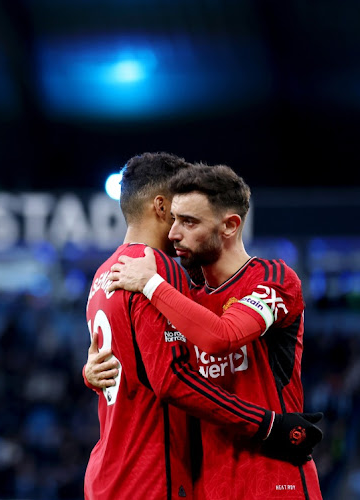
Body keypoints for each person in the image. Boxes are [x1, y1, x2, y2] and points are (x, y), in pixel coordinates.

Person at [82, 152, 322, 500]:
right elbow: (157, 365)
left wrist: (151, 283)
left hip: (272, 476)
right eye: (175, 219)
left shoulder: (272, 279)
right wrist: (94, 370)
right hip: (208, 484)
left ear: (229, 225)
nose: (175, 232)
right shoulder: (184, 295)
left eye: (189, 222)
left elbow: (221, 336)